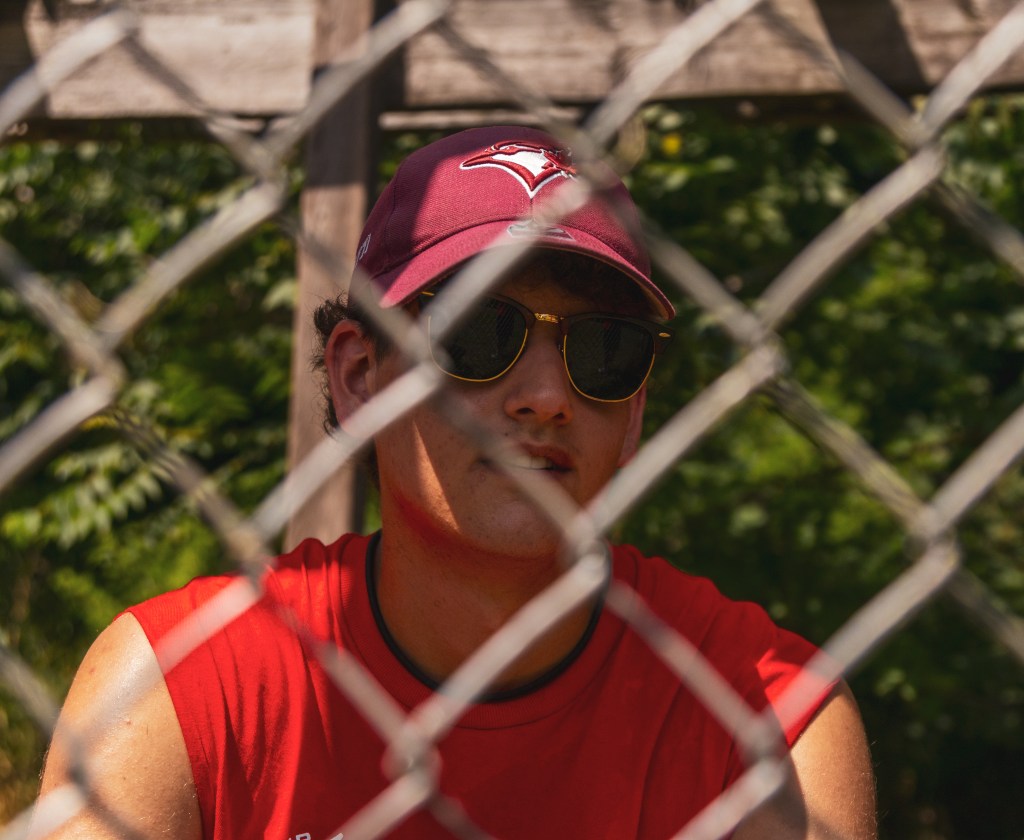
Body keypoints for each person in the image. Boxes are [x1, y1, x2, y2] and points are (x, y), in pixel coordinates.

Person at [36, 126, 877, 839]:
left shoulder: (768, 716)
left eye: (604, 350)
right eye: (477, 331)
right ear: (361, 376)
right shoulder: (183, 687)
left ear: (635, 412)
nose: (546, 397)